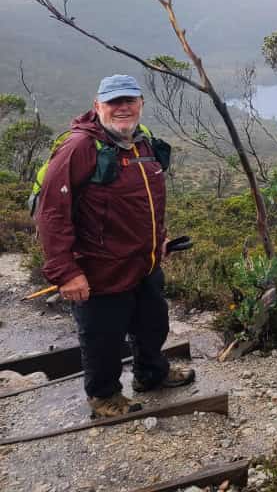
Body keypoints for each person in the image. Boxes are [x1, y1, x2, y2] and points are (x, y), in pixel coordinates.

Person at [35, 74, 194, 418]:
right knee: (103, 338)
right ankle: (105, 396)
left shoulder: (144, 142)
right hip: (99, 268)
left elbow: (148, 201)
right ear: (98, 107)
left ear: (140, 104)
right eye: (113, 102)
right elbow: (51, 213)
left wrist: (160, 239)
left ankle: (151, 374)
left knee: (153, 324)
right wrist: (65, 272)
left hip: (144, 262)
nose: (122, 108)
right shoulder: (79, 148)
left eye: (129, 101)